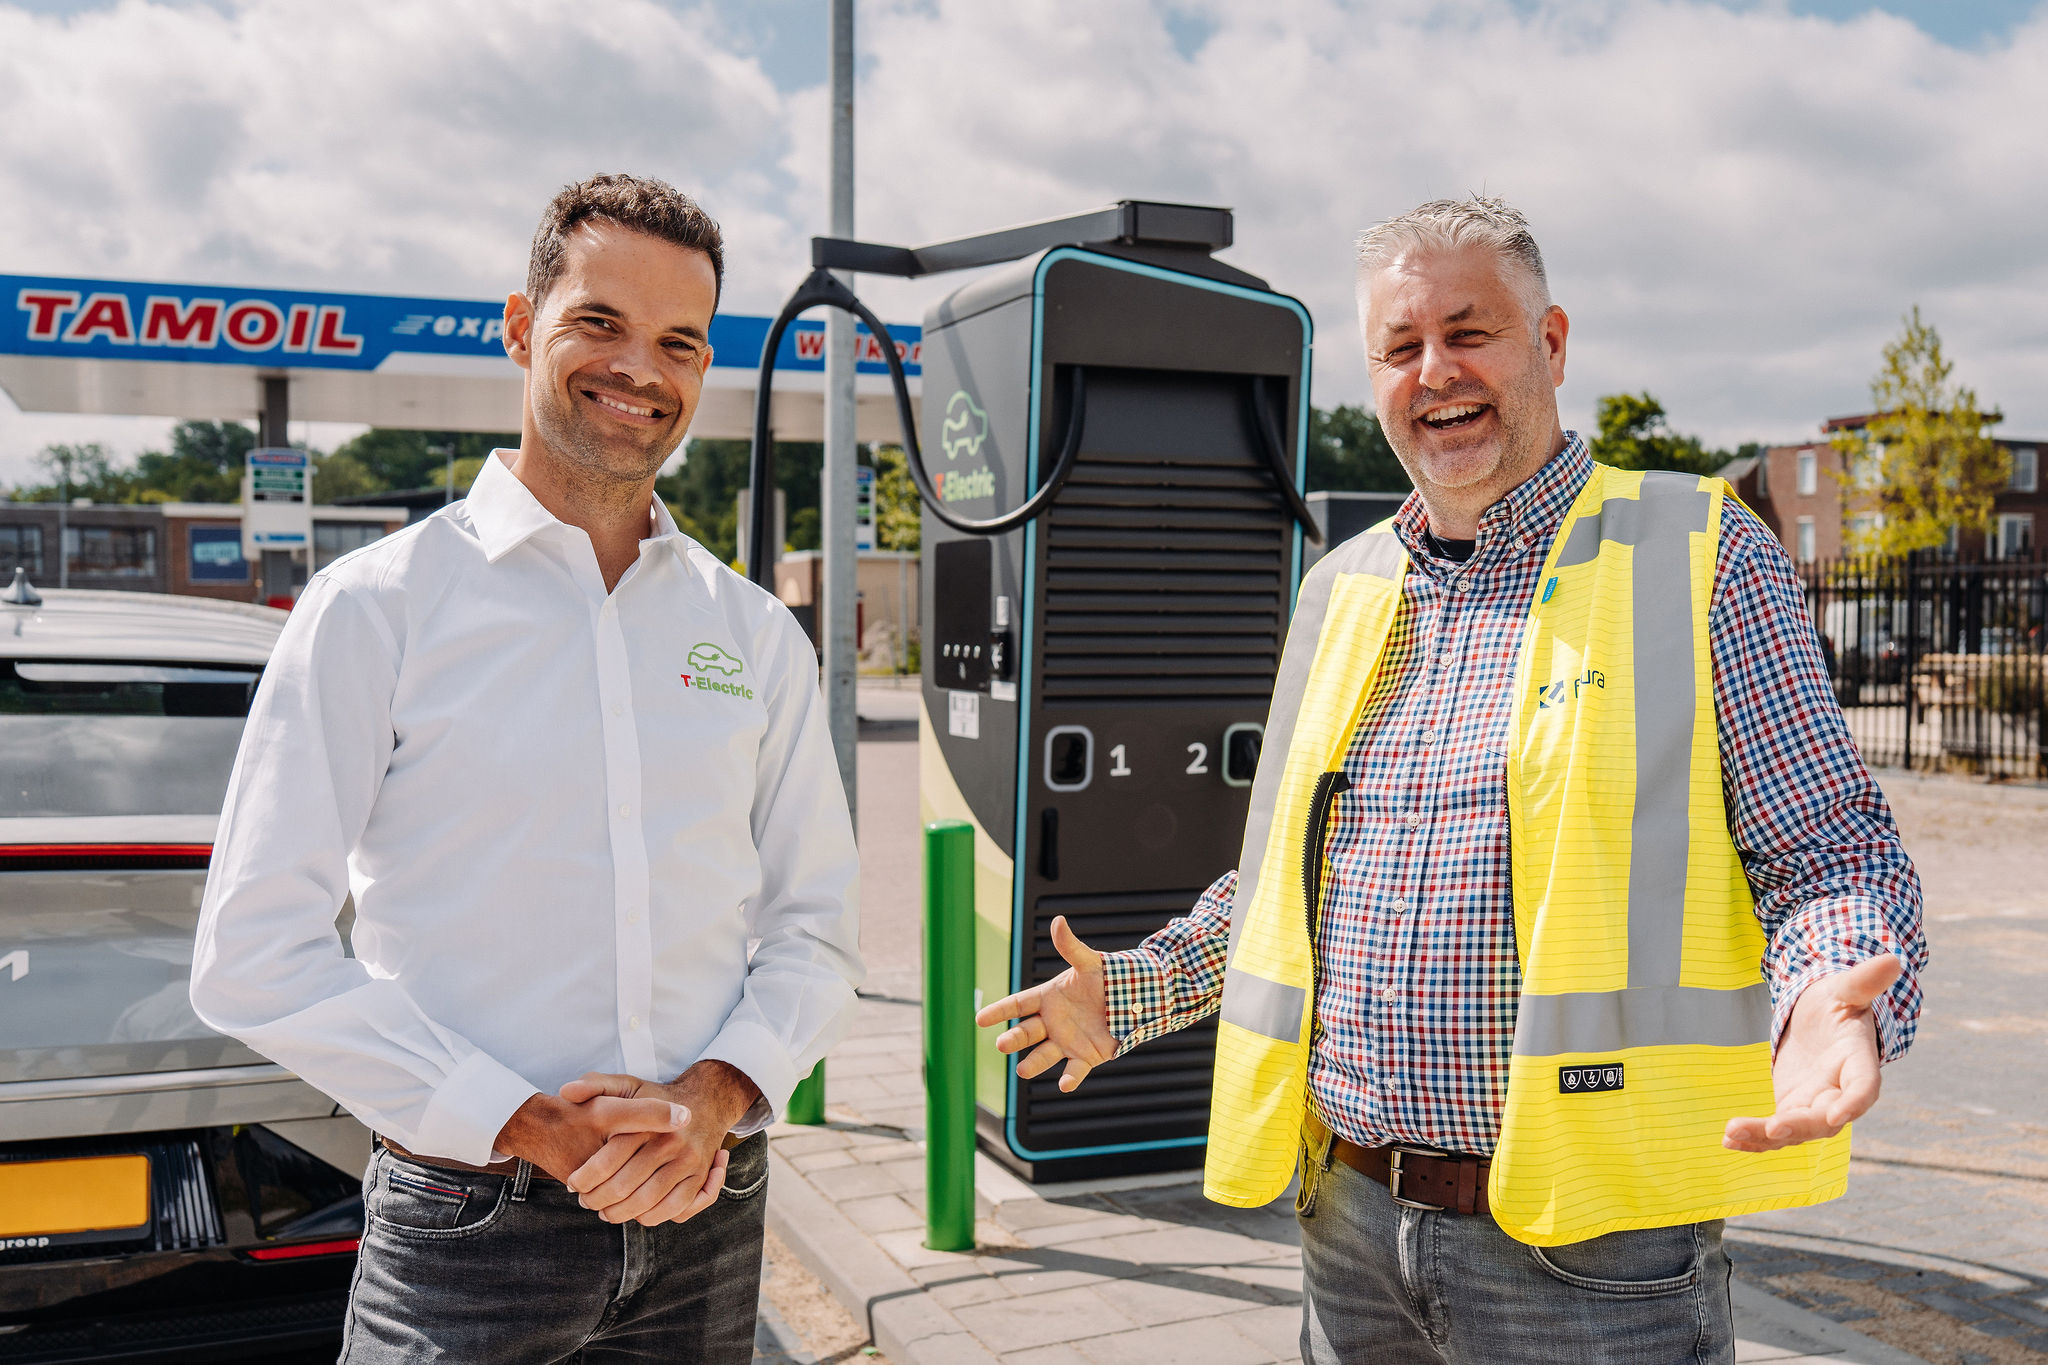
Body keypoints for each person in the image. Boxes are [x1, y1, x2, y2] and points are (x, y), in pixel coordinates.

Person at [977, 196, 1926, 1365]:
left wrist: (1832, 995)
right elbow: (1287, 888)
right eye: (1398, 347)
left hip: (1589, 1256)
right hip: (1347, 1227)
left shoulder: (1701, 554)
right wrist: (1132, 993)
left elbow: (1826, 849)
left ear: (1552, 343)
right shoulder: (1340, 591)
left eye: (1466, 332)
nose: (1434, 372)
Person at [191, 173, 862, 1364]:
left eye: (678, 342)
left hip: (705, 1210)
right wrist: (527, 1124)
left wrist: (711, 1100)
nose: (638, 370)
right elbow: (252, 956)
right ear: (519, 326)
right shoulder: (376, 609)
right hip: (469, 1227)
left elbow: (815, 928)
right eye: (597, 323)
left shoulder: (754, 634)